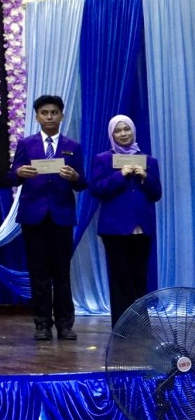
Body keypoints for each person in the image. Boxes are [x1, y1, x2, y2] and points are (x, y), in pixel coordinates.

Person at [10, 94, 87, 342]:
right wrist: (19, 172)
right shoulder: (26, 144)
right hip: (33, 217)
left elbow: (82, 183)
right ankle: (42, 323)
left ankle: (65, 325)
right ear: (37, 117)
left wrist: (75, 177)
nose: (50, 117)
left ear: (61, 116)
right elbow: (11, 177)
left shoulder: (72, 146)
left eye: (54, 113)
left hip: (61, 216)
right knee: (39, 273)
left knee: (62, 273)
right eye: (45, 113)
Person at [91, 115, 162, 327]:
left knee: (140, 275)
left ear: (133, 131)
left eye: (127, 129)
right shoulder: (103, 159)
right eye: (118, 131)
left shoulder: (148, 161)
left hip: (142, 227)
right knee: (121, 277)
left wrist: (146, 177)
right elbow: (97, 189)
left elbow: (156, 194)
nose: (123, 134)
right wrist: (120, 175)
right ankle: (123, 325)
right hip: (114, 228)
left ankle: (140, 325)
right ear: (111, 134)